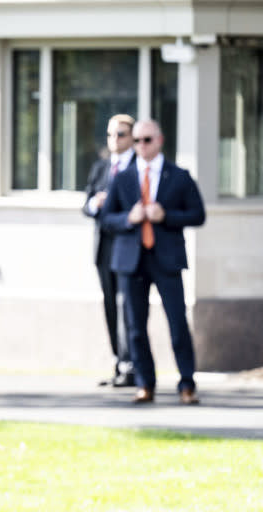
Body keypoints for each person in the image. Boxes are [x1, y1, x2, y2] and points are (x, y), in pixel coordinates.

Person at [100, 119, 206, 405]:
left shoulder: (179, 176)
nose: (141, 146)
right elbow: (106, 219)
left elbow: (198, 215)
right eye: (136, 141)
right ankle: (145, 383)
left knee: (177, 323)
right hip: (131, 261)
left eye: (146, 140)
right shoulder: (122, 178)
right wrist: (128, 218)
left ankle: (187, 383)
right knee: (135, 326)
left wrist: (166, 216)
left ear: (159, 140)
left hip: (166, 259)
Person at [83, 113, 137, 387]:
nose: (114, 140)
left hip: (129, 247)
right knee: (110, 307)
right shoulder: (101, 168)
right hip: (104, 248)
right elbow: (86, 205)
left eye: (121, 134)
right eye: (110, 134)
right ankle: (119, 363)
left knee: (128, 306)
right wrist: (96, 203)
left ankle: (133, 365)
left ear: (132, 138)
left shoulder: (140, 168)